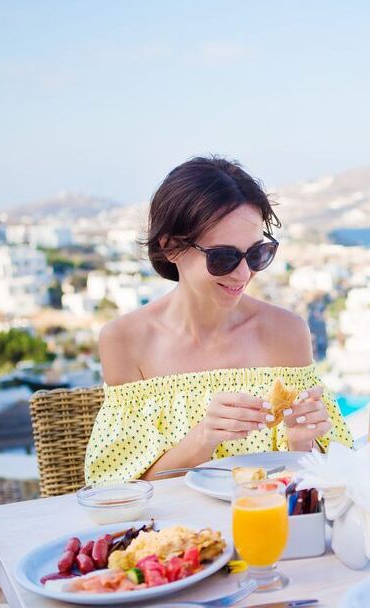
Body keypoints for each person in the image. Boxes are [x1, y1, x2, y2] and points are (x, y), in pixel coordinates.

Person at [85, 156, 352, 484]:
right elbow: (118, 488)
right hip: (178, 534)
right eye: (223, 257)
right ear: (170, 247)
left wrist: (301, 442)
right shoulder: (125, 341)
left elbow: (326, 476)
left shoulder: (287, 332)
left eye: (257, 254)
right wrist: (204, 438)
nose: (244, 273)